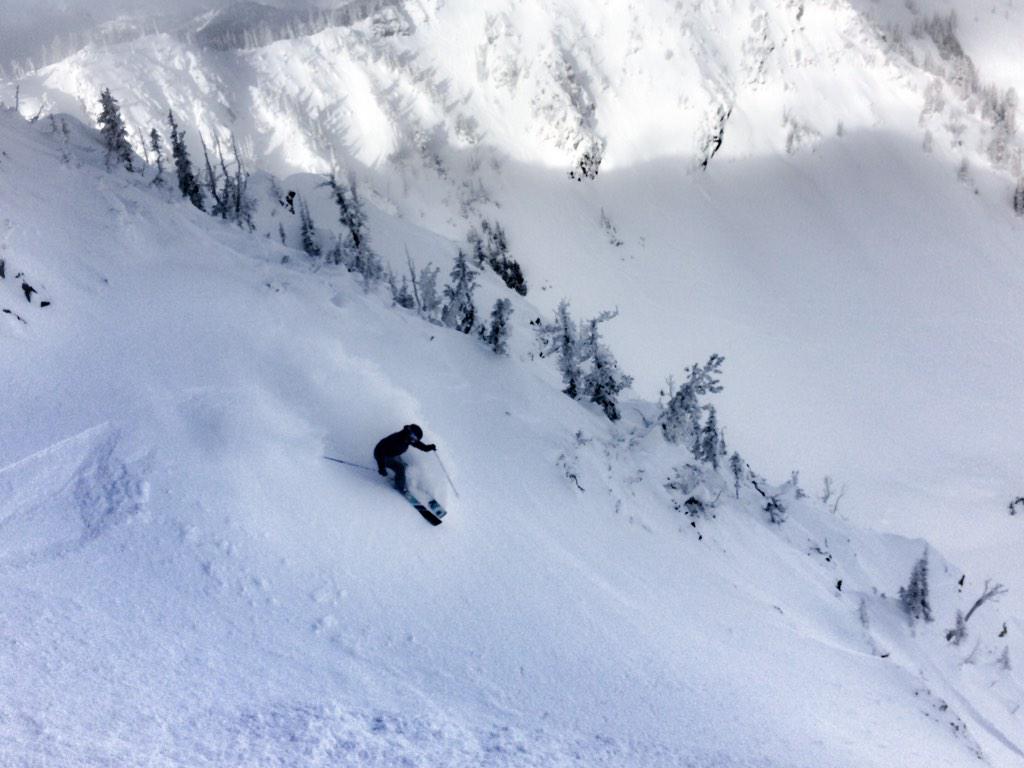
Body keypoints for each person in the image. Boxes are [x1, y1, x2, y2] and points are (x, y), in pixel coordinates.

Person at [373, 424, 436, 493]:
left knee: (405, 466)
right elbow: (380, 451)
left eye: (415, 438)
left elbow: (421, 446)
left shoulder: (408, 439)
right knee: (400, 468)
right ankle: (400, 487)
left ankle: (401, 479)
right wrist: (381, 467)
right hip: (382, 455)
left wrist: (429, 447)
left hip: (393, 454)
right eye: (413, 436)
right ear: (409, 431)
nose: (414, 439)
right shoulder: (397, 438)